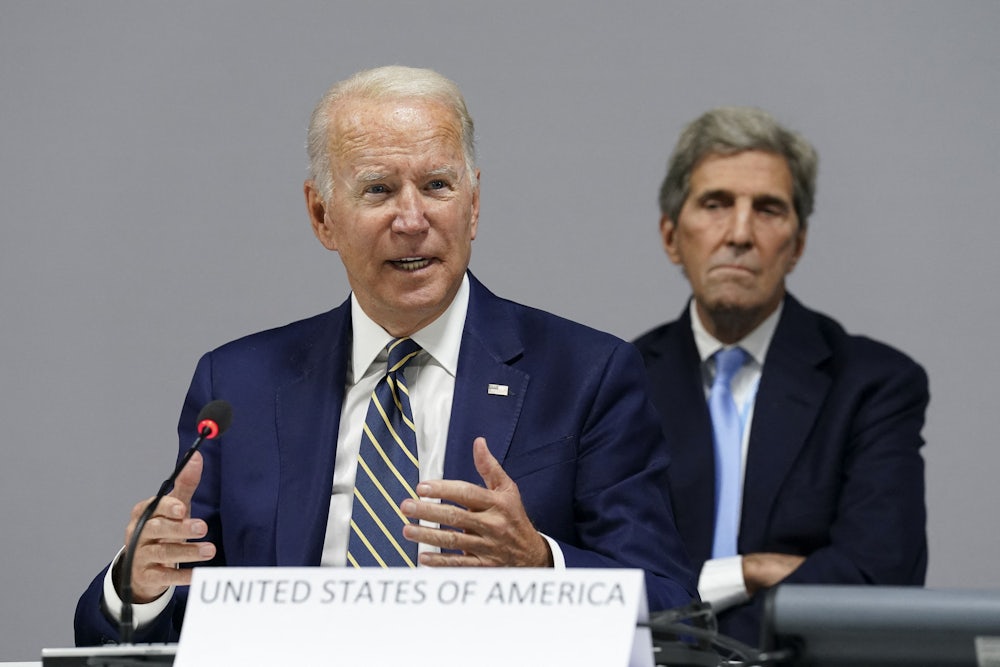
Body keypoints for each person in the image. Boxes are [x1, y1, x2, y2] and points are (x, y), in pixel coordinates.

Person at [74, 65, 696, 645]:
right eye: (378, 189)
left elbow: (673, 612)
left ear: (473, 204)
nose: (411, 218)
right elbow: (148, 625)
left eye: (437, 186)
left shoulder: (585, 375)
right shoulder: (240, 384)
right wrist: (142, 585)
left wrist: (539, 564)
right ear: (322, 215)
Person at [633, 107, 928, 646]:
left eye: (768, 209)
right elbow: (599, 578)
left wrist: (711, 601)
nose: (740, 233)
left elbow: (879, 579)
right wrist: (752, 571)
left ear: (797, 245)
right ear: (672, 236)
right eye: (716, 204)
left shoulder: (874, 385)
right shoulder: (617, 383)